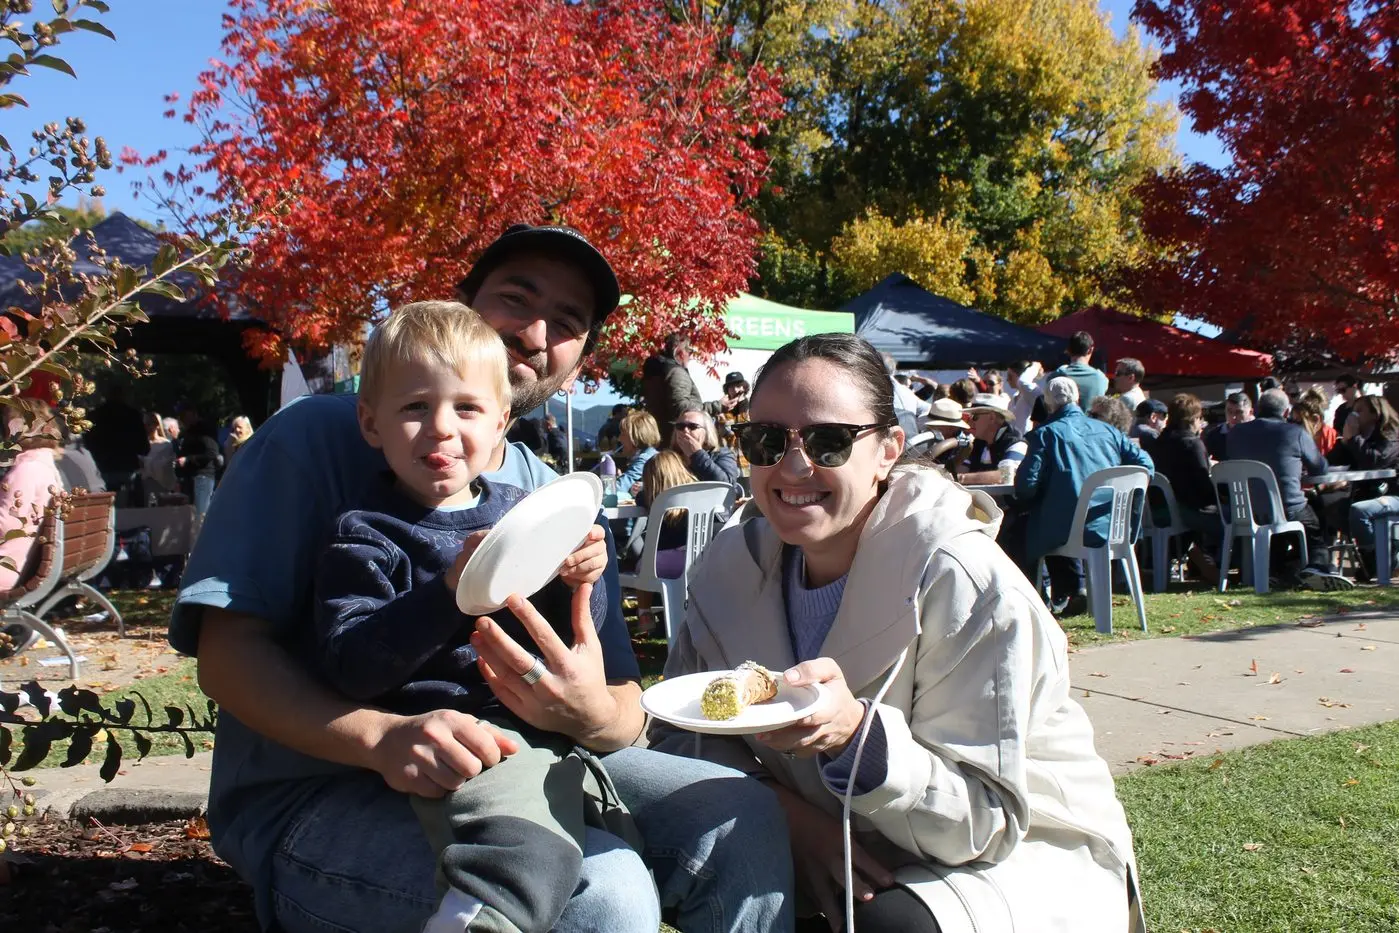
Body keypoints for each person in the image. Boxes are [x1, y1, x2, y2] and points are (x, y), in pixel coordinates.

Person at [167, 222, 792, 933]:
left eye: (567, 321)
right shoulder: (316, 438)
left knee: (737, 816)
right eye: (516, 299)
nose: (535, 331)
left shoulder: (554, 497)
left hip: (521, 755)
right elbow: (226, 654)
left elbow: (622, 706)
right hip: (318, 792)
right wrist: (381, 738)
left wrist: (588, 707)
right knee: (603, 889)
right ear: (463, 302)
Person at [653, 333, 1142, 933]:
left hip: (1018, 851)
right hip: (826, 829)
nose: (794, 466)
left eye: (830, 441)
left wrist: (855, 739)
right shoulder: (726, 568)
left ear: (888, 450)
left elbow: (981, 824)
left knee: (887, 922)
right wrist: (790, 822)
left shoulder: (966, 581)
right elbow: (679, 734)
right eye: (767, 440)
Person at [310, 302, 623, 933]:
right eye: (414, 407)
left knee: (719, 813)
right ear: (371, 424)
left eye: (467, 408)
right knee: (529, 857)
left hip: (550, 729)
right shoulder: (364, 534)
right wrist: (450, 587)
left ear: (502, 422)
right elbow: (351, 665)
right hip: (463, 744)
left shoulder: (520, 510)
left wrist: (579, 579)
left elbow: (566, 633)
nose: (441, 428)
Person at [1014, 377, 1154, 615]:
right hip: (1113, 524)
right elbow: (1145, 465)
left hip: (1068, 529)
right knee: (1053, 516)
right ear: (1078, 398)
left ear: (1048, 404)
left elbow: (1025, 487)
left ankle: (1035, 602)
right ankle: (1071, 589)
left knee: (1022, 527)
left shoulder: (1045, 434)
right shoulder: (1109, 431)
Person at [1225, 389, 1353, 591]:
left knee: (1277, 526)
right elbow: (1320, 468)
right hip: (1289, 508)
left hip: (1248, 510)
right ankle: (1317, 567)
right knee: (1316, 527)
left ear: (1257, 409)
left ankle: (1276, 571)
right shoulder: (1295, 433)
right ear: (1285, 412)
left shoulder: (1235, 434)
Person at [1323, 394, 1399, 577]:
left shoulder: (1391, 434)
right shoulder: (1359, 436)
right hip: (1365, 494)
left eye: (1359, 411)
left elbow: (1374, 461)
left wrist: (1355, 439)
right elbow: (1331, 462)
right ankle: (1321, 563)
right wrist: (1344, 440)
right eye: (1353, 411)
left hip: (1393, 495)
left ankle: (1377, 561)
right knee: (1322, 504)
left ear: (1375, 413)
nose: (1354, 416)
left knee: (1359, 511)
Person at [1150, 394, 1222, 584]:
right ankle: (1230, 568)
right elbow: (1202, 486)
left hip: (1157, 511)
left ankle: (1205, 567)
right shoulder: (1192, 444)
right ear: (1194, 419)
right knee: (1232, 519)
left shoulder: (1158, 443)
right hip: (1184, 512)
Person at [0, 399, 65, 590]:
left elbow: (6, 526)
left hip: (10, 566)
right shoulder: (44, 465)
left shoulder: (26, 470)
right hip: (23, 562)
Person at [621, 449, 699, 579]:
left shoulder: (657, 498)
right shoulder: (698, 492)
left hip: (669, 560)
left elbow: (640, 497)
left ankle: (645, 599)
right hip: (702, 557)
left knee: (643, 566)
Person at [83, 383, 150, 505]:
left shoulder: (95, 415)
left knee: (105, 510)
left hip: (102, 469)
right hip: (127, 468)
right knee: (131, 512)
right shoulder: (133, 415)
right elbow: (144, 447)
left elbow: (87, 443)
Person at [642, 333, 703, 447]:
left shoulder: (656, 372)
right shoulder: (676, 372)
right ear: (680, 352)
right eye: (690, 351)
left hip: (660, 437)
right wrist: (716, 406)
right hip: (676, 440)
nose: (691, 356)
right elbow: (681, 408)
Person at [953, 393, 1026, 486]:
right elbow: (962, 469)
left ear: (992, 417)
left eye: (975, 417)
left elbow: (1006, 476)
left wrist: (961, 478)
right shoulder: (978, 443)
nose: (970, 422)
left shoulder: (1016, 444)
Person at [175, 405, 222, 520]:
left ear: (194, 414)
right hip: (191, 477)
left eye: (185, 416)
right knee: (192, 515)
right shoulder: (189, 432)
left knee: (200, 515)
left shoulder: (204, 431)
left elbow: (212, 453)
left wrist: (188, 459)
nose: (184, 419)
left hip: (202, 476)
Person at [671, 407, 739, 488]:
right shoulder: (668, 458)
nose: (685, 430)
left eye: (693, 426)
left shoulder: (722, 454)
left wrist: (697, 455)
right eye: (680, 426)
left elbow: (727, 486)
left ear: (706, 432)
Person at [1051, 331, 1110, 410]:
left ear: (1068, 350)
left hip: (1063, 421)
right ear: (1090, 350)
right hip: (1091, 422)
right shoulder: (1101, 379)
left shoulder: (1058, 375)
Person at [881, 353, 931, 439]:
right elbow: (929, 408)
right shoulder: (907, 392)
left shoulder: (880, 390)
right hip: (909, 444)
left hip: (891, 442)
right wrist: (916, 426)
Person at [616, 408, 660, 499]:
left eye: (623, 434)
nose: (619, 439)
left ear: (635, 437)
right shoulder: (648, 455)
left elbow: (618, 488)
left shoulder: (645, 459)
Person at [139, 411, 180, 501]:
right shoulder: (141, 444)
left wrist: (146, 463)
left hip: (162, 484)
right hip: (145, 484)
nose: (149, 427)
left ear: (157, 425)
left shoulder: (166, 444)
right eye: (146, 424)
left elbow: (166, 465)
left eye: (152, 423)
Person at [1204, 391, 1253, 462]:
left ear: (1250, 412)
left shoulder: (1257, 434)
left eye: (1239, 412)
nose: (1233, 417)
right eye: (1229, 411)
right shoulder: (1214, 436)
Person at [1294, 389, 1337, 456]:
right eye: (1293, 421)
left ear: (1315, 419)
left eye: (1299, 421)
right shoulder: (1295, 438)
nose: (1294, 425)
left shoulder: (1334, 439)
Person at [1005, 360, 1041, 435]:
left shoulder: (1032, 392)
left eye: (1010, 376)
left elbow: (1023, 382)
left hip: (1027, 441)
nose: (1007, 380)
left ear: (1020, 375)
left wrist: (1035, 367)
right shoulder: (1014, 397)